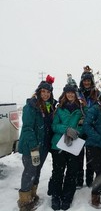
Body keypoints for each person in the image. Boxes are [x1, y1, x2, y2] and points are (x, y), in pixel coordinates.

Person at [17, 75, 56, 211]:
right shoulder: (31, 107)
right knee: (29, 171)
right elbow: (27, 128)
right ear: (39, 92)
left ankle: (32, 195)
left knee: (37, 170)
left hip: (44, 146)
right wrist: (34, 146)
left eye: (48, 92)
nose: (45, 94)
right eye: (43, 91)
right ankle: (24, 201)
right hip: (31, 146)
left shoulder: (49, 106)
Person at [49, 82, 85, 210]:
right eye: (68, 92)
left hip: (73, 145)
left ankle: (67, 197)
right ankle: (55, 196)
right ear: (65, 94)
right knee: (58, 172)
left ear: (76, 94)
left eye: (72, 93)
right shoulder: (59, 109)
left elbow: (84, 125)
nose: (70, 95)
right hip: (58, 145)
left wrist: (77, 131)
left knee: (72, 172)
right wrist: (67, 129)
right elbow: (54, 126)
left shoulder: (80, 109)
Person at [77, 65, 99, 188]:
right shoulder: (77, 93)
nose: (86, 82)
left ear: (91, 81)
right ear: (82, 81)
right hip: (79, 129)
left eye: (88, 80)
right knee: (78, 156)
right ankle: (79, 180)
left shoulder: (96, 93)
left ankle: (90, 180)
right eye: (84, 80)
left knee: (91, 157)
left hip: (92, 128)